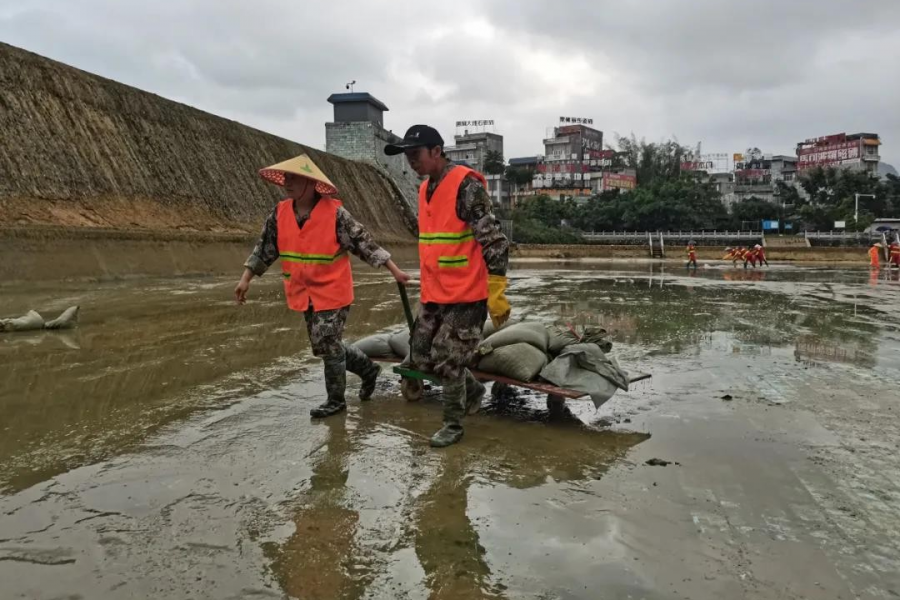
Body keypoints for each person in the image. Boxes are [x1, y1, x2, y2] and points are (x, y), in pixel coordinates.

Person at [234, 154, 410, 418]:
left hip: (333, 290)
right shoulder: (280, 213)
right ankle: (369, 370)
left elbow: (364, 243)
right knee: (324, 345)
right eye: (286, 178)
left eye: (294, 178)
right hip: (304, 291)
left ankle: (336, 401)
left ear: (310, 183)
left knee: (328, 343)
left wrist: (394, 270)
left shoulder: (335, 214)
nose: (287, 184)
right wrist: (246, 277)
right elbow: (265, 248)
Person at [384, 125, 510, 448]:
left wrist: (496, 291)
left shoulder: (465, 186)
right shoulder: (425, 189)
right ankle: (474, 389)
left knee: (447, 357)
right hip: (436, 294)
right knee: (421, 354)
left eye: (416, 155)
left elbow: (495, 242)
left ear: (436, 151)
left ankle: (453, 425)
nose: (411, 162)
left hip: (467, 296)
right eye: (407, 157)